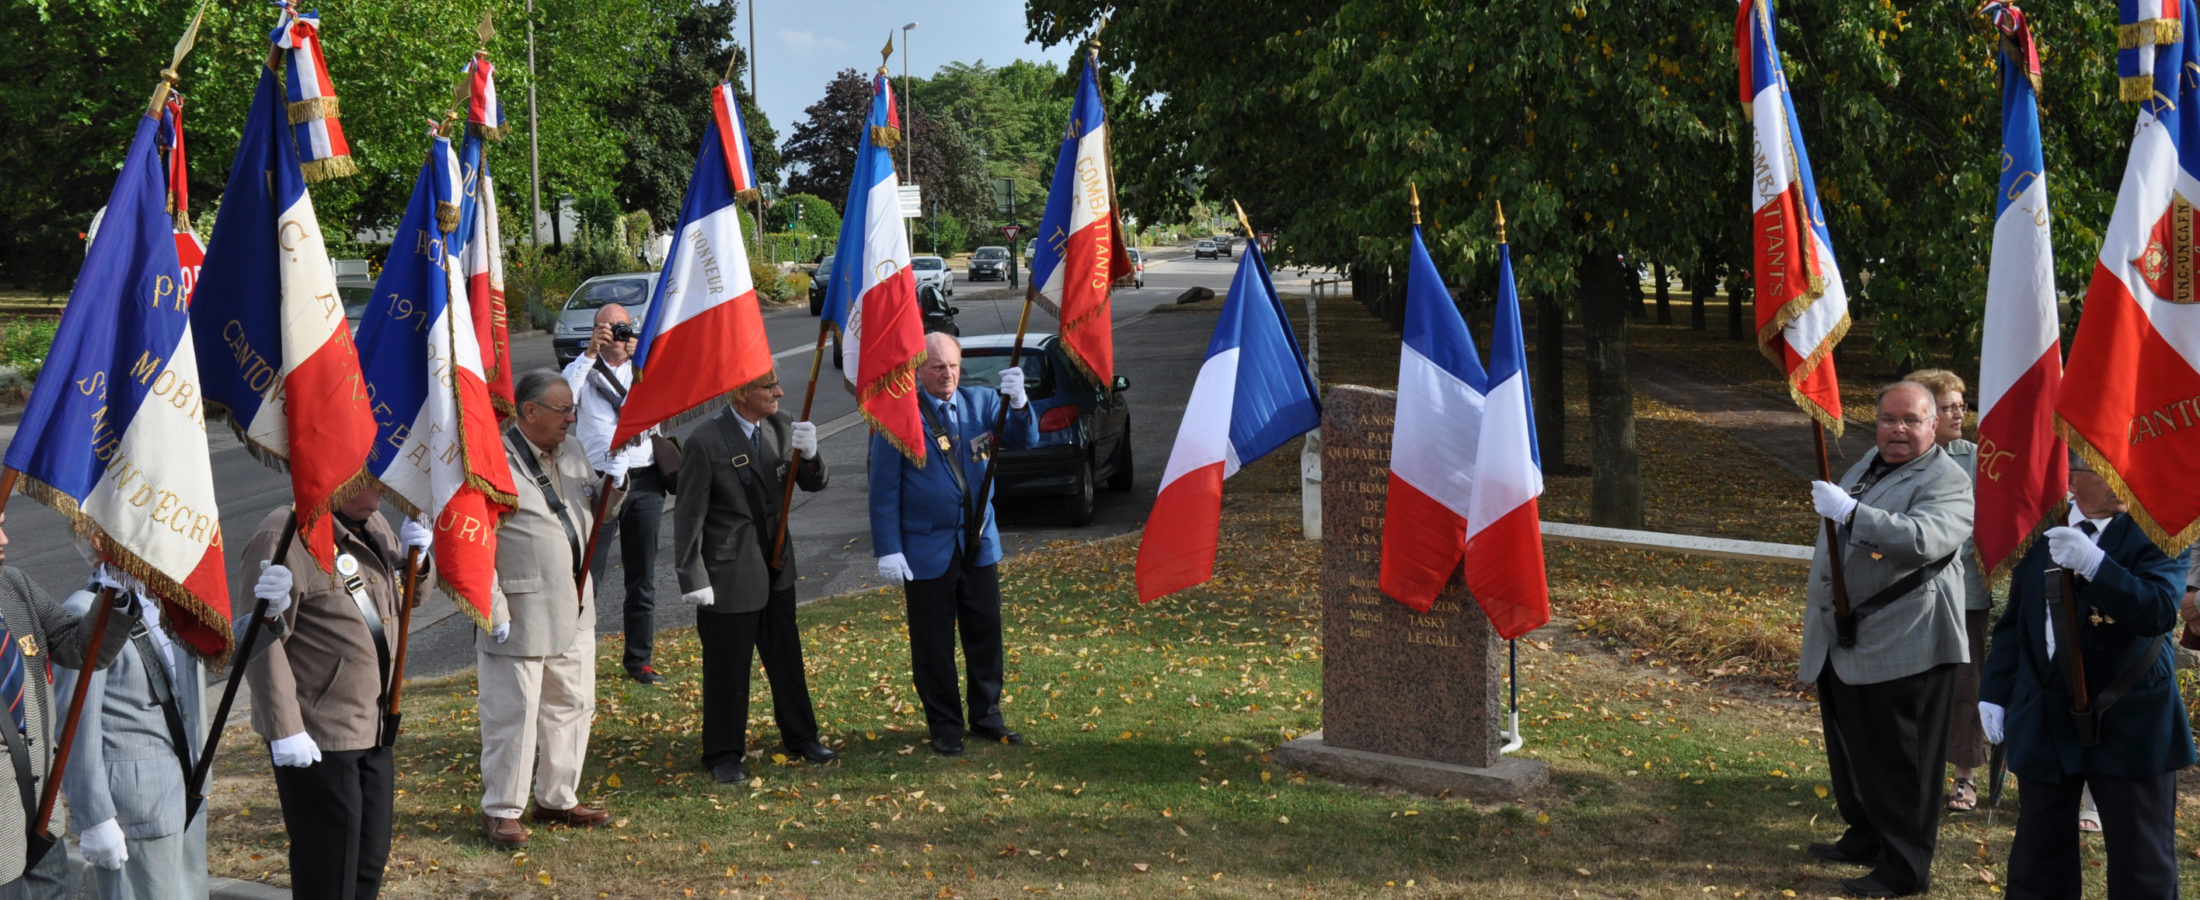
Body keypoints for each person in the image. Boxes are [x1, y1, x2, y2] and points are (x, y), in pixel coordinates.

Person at [1978, 453, 2194, 898]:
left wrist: (2098, 566)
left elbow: (2157, 611)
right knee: (2039, 856)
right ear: (2072, 478)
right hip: (2046, 711)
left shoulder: (2161, 531)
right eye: (2108, 469)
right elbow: (2016, 622)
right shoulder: (2039, 530)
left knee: (2142, 861)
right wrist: (1996, 691)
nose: (2125, 481)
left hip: (2130, 714)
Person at [1800, 381, 1973, 899]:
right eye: (1888, 419)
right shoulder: (1866, 465)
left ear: (1934, 424)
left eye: (1911, 420)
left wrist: (1852, 513)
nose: (1898, 430)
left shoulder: (1948, 479)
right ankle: (1867, 834)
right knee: (1855, 751)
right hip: (1846, 638)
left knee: (1904, 764)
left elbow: (1923, 539)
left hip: (1908, 642)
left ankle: (1905, 868)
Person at [241, 486, 430, 900]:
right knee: (329, 874)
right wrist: (284, 729)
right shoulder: (284, 534)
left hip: (375, 725)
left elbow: (408, 598)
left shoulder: (373, 524)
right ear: (337, 477)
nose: (382, 487)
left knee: (367, 865)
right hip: (319, 737)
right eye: (369, 476)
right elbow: (256, 640)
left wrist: (422, 559)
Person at [870, 332, 1038, 756]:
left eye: (954, 366)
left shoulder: (982, 404)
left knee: (985, 633)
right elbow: (883, 489)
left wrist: (1018, 405)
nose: (947, 374)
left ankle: (987, 715)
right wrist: (888, 546)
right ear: (918, 370)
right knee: (933, 642)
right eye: (937, 367)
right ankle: (944, 724)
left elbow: (1026, 439)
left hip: (979, 543)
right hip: (926, 549)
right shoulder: (901, 416)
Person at [479, 369, 624, 849]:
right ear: (530, 411)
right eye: (562, 410)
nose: (571, 417)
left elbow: (590, 512)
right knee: (513, 714)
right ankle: (502, 810)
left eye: (572, 409)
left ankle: (557, 796)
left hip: (575, 603)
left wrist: (615, 487)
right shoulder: (492, 460)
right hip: (519, 612)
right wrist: (493, 609)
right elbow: (474, 542)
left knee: (573, 704)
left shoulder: (575, 450)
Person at [673, 372, 835, 783]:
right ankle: (723, 753)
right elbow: (689, 514)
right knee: (728, 667)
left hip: (777, 566)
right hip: (729, 574)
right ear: (742, 393)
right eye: (769, 388)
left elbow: (813, 483)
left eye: (778, 384)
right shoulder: (705, 441)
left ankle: (802, 737)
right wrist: (693, 575)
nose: (779, 393)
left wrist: (812, 455)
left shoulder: (782, 427)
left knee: (786, 659)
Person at [0, 512, 136, 899]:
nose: (5, 539)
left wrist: (116, 594)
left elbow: (77, 646)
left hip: (39, 816)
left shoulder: (13, 585)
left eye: (5, 523)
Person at [54, 565, 207, 900]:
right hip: (134, 808)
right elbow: (76, 724)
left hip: (185, 787)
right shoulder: (85, 609)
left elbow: (209, 658)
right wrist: (93, 817)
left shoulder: (169, 601)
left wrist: (265, 620)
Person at [1901, 368, 1994, 813]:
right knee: (1911, 686)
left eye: (1962, 405)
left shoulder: (1978, 458)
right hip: (1909, 594)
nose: (1959, 412)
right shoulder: (1901, 458)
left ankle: (1965, 775)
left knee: (1965, 686)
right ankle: (1914, 769)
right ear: (1927, 414)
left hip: (1965, 593)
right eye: (1948, 406)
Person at [561, 302, 669, 685]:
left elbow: (672, 393)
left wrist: (644, 351)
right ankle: (575, 655)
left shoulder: (647, 368)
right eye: (607, 329)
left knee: (642, 576)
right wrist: (590, 352)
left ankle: (639, 660)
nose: (616, 336)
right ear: (595, 331)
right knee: (588, 573)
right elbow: (564, 397)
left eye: (622, 328)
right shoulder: (583, 370)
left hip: (645, 481)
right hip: (598, 483)